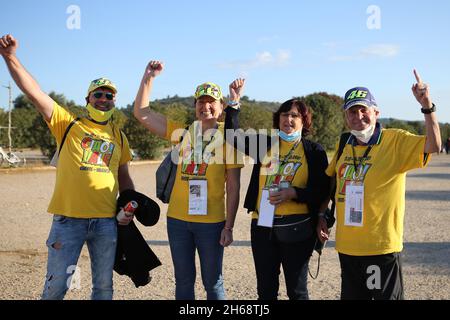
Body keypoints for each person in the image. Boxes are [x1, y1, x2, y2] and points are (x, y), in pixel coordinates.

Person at [0, 34, 136, 300]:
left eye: (110, 96)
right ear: (88, 98)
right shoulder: (68, 124)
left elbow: (124, 177)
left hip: (106, 222)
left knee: (104, 288)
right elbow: (34, 93)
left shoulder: (119, 136)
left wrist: (130, 204)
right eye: (99, 94)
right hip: (68, 221)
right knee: (56, 288)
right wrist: (10, 57)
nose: (104, 99)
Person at [317, 70, 441, 300]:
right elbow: (331, 179)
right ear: (346, 116)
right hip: (348, 248)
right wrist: (322, 214)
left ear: (376, 112)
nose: (359, 116)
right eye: (352, 111)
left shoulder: (395, 140)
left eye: (364, 109)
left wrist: (427, 106)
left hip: (381, 248)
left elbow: (434, 145)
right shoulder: (345, 142)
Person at [133, 60, 244, 300]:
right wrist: (148, 78)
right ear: (195, 106)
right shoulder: (183, 132)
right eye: (201, 102)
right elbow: (142, 113)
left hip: (212, 223)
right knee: (183, 282)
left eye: (211, 102)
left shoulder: (230, 137)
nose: (205, 106)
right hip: (178, 221)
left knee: (213, 283)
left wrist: (229, 226)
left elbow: (234, 187)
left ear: (221, 106)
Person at [224, 98, 330, 300]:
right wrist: (234, 104)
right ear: (278, 118)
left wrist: (294, 193)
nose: (288, 119)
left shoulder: (314, 151)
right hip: (262, 225)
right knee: (265, 291)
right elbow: (232, 137)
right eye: (284, 114)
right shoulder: (264, 144)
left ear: (304, 121)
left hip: (298, 227)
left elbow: (322, 191)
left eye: (294, 115)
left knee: (297, 292)